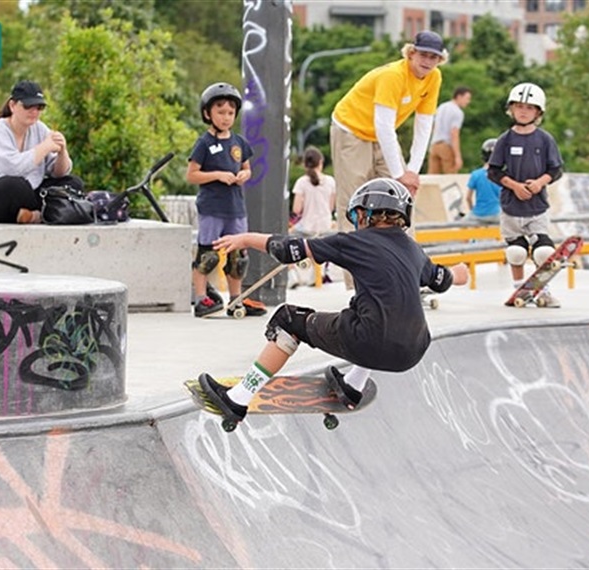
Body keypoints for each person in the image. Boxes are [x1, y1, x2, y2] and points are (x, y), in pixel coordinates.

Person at [197, 178, 469, 424]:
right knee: (370, 309)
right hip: (414, 349)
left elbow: (288, 249)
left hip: (369, 340)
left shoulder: (354, 241)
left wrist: (245, 238)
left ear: (364, 214)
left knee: (289, 319)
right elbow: (442, 280)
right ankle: (353, 385)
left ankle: (238, 398)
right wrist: (460, 272)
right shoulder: (415, 251)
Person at [330, 30, 447, 223]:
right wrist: (399, 174)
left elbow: (424, 125)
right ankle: (353, 251)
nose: (427, 61)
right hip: (351, 129)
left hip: (379, 135)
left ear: (439, 60)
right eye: (423, 55)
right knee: (355, 196)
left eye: (433, 57)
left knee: (401, 195)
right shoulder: (393, 75)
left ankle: (404, 251)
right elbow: (383, 125)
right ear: (411, 53)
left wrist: (411, 172)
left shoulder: (434, 77)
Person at [186, 82, 265, 319]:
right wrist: (218, 175)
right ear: (207, 113)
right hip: (212, 207)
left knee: (238, 257)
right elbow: (191, 175)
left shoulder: (239, 143)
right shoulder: (203, 143)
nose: (226, 117)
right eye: (220, 112)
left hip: (235, 207)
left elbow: (247, 168)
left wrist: (244, 175)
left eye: (230, 113)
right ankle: (202, 299)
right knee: (208, 255)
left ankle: (236, 300)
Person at [0, 80, 83, 224]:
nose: (34, 112)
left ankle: (31, 215)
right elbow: (13, 169)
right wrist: (44, 147)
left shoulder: (40, 129)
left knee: (73, 183)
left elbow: (59, 173)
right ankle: (42, 215)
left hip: (24, 196)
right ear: (12, 105)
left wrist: (62, 151)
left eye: (39, 107)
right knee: (16, 186)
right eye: (28, 106)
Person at [488, 82, 565, 308]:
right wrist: (515, 186)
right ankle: (519, 288)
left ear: (538, 112)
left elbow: (556, 169)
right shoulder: (505, 139)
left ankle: (544, 291)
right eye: (519, 106)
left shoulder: (545, 139)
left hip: (537, 207)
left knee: (543, 252)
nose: (523, 111)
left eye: (529, 107)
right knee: (515, 252)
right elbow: (493, 171)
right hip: (511, 207)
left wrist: (539, 183)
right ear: (511, 109)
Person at [289, 147, 336, 288]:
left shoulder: (301, 182)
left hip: (307, 227)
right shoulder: (331, 181)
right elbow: (331, 207)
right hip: (325, 226)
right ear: (320, 162)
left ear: (305, 164)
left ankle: (292, 276)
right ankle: (317, 275)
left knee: (285, 241)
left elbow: (296, 209)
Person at [427, 86, 472, 174]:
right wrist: (457, 156)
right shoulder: (457, 112)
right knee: (451, 177)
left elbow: (433, 125)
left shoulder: (442, 106)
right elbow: (454, 134)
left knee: (432, 176)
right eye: (467, 98)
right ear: (459, 96)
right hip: (446, 146)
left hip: (434, 145)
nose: (468, 102)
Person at [465, 138, 501, 223]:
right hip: (497, 215)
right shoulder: (502, 176)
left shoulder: (476, 174)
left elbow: (468, 198)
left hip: (478, 215)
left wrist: (472, 210)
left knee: (460, 225)